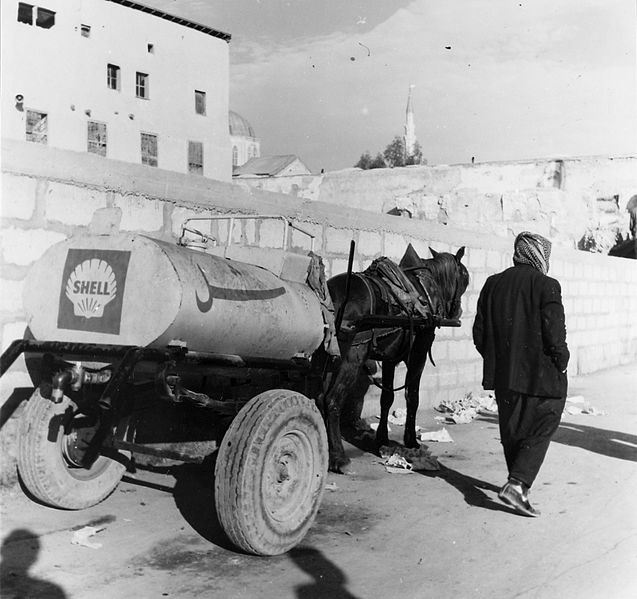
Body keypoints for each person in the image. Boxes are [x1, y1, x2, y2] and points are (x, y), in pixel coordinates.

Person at [472, 231, 569, 517]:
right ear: (540, 255)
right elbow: (554, 332)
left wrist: (498, 360)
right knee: (545, 422)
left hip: (504, 376)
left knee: (513, 429)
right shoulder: (547, 285)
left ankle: (518, 486)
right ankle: (518, 483)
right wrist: (562, 359)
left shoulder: (492, 283)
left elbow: (479, 333)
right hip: (542, 377)